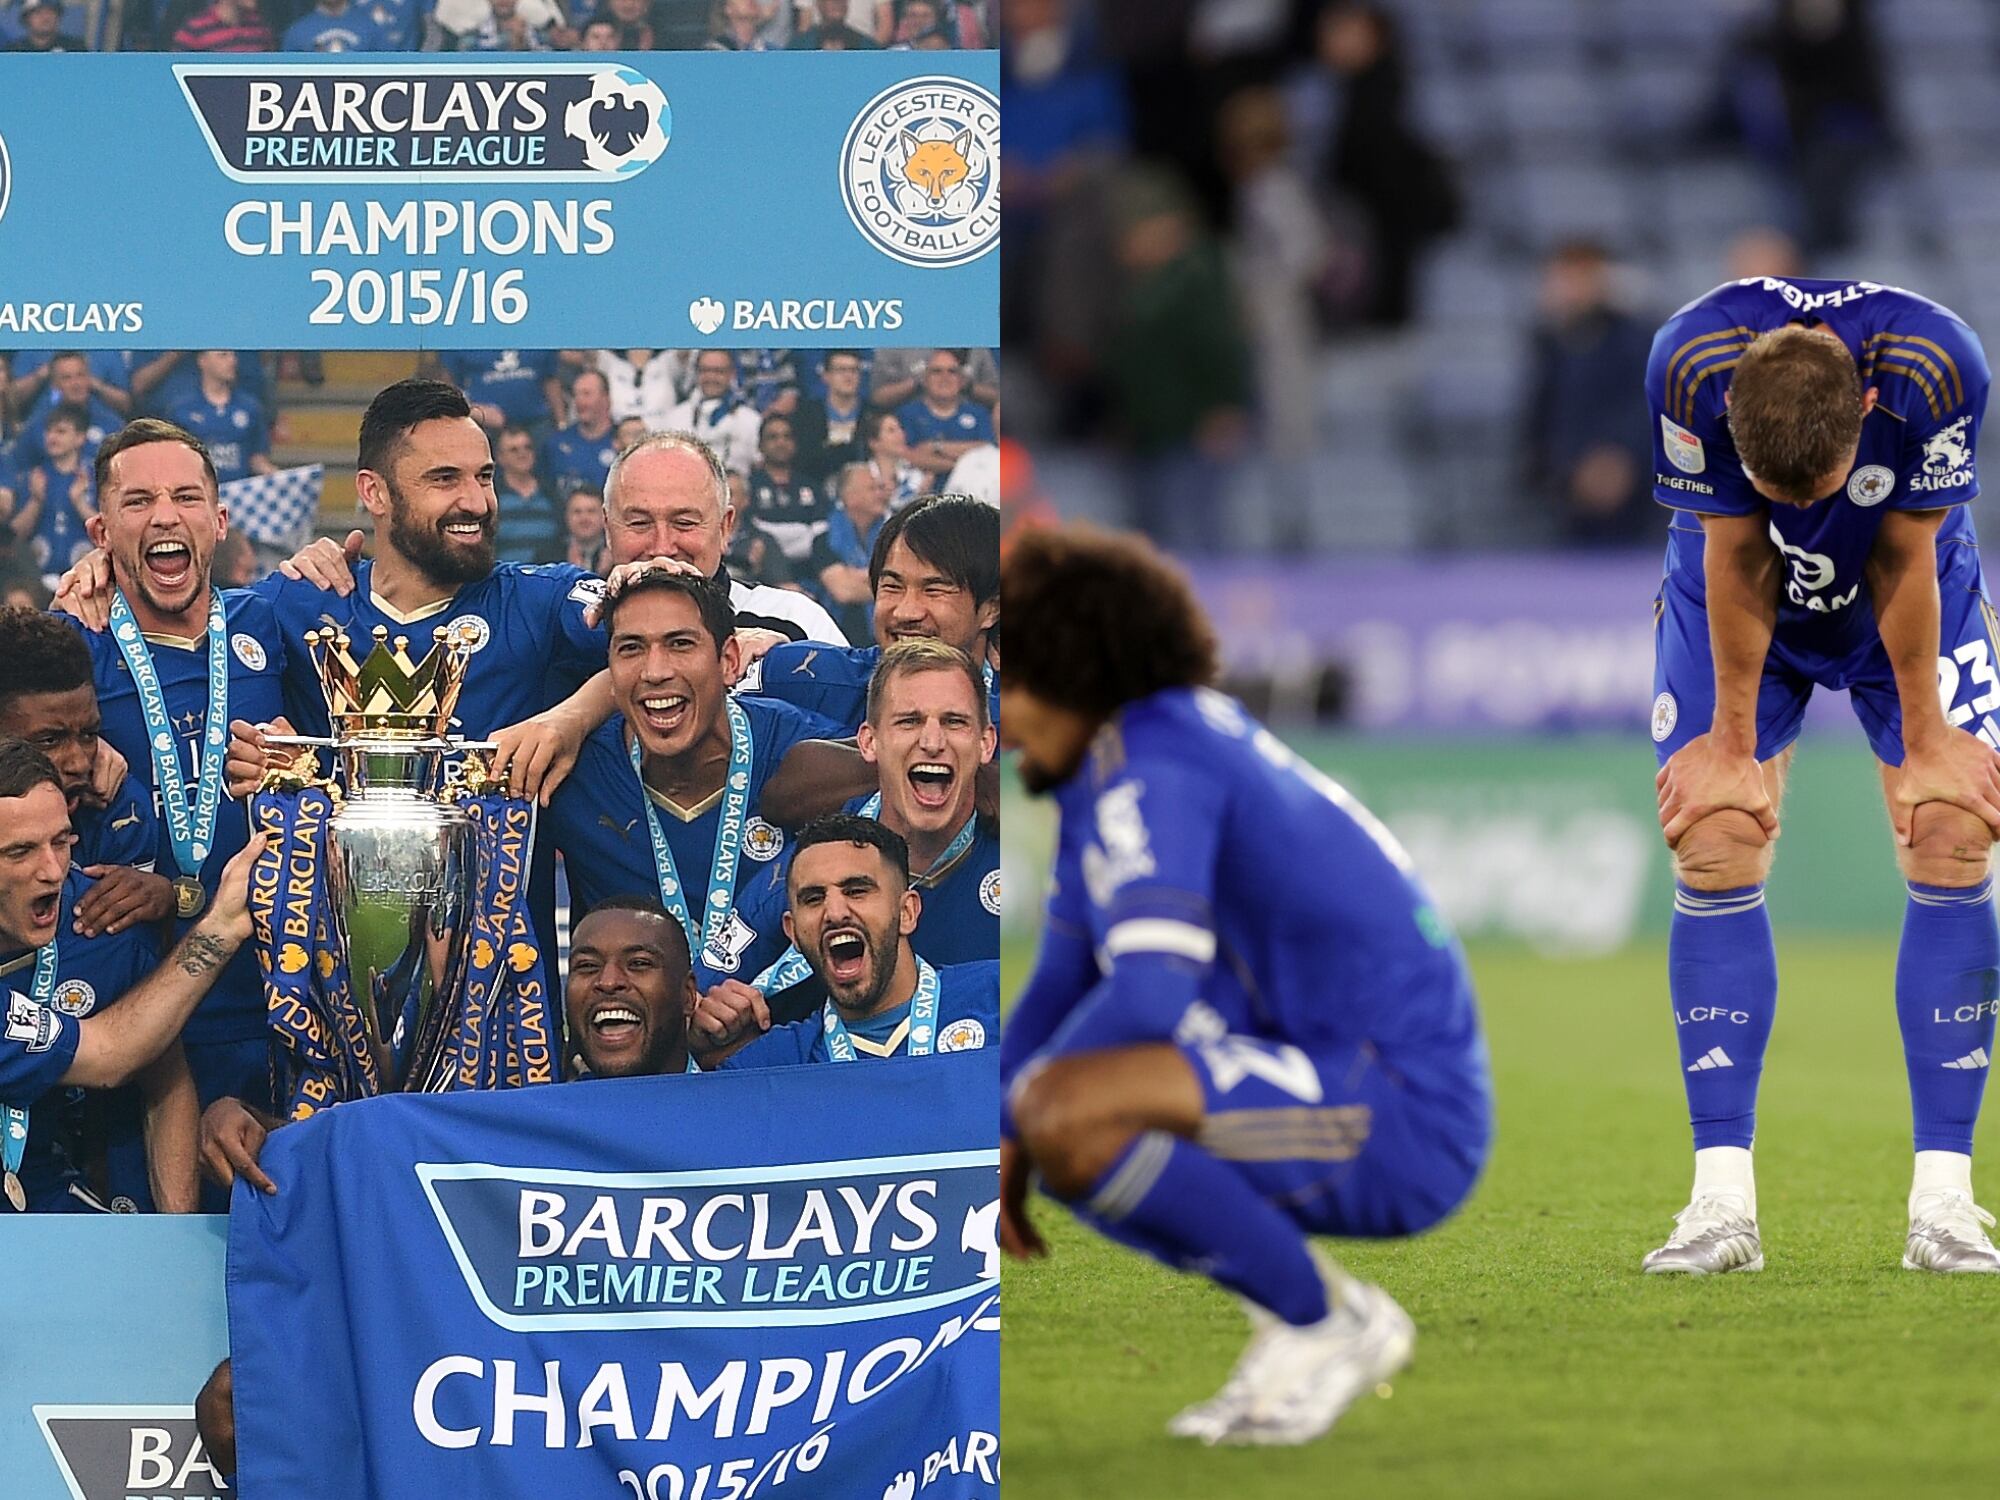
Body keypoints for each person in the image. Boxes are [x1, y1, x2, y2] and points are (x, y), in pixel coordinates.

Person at [999, 526, 1491, 1446]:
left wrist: (1024, 1112)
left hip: (1402, 1108)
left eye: (1006, 681)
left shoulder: (1156, 762)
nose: (994, 718)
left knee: (1064, 1113)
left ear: (1064, 671)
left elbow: (1150, 993)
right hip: (1329, 1069)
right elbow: (1061, 980)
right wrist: (1000, 1126)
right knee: (1052, 1115)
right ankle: (1302, 1323)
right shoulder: (1116, 766)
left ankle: (1325, 1325)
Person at [1644, 278, 2000, 1274]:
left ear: (1866, 411)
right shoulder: (1688, 363)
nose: (1801, 507)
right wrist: (1727, 743)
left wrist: (1928, 738)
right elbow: (1732, 546)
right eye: (1781, 490)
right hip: (1738, 582)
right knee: (1714, 836)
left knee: (1951, 828)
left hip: (1905, 577)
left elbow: (1904, 548)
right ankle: (1718, 1205)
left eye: (1819, 486)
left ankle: (1945, 1204)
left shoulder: (1936, 364)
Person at [54, 419, 290, 1201]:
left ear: (219, 521)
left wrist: (301, 770)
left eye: (186, 497)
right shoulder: (71, 649)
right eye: (137, 502)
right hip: (131, 1030)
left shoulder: (273, 623)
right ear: (101, 532)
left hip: (276, 1015)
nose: (164, 515)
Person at [539, 565, 865, 996]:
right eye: (632, 648)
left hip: (796, 1031)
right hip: (649, 1035)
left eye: (680, 644)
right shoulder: (573, 777)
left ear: (729, 661)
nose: (655, 671)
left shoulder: (801, 752)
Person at [0, 740, 262, 1215]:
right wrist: (221, 927)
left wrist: (176, 1233)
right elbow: (110, 1052)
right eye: (19, 852)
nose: (53, 871)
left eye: (61, 842)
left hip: (44, 1199)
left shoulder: (97, 920)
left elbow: (162, 1074)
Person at [714, 814, 999, 1068]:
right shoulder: (773, 1064)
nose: (835, 913)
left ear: (907, 912)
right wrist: (704, 1044)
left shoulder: (1001, 998)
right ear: (793, 932)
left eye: (856, 891)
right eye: (813, 899)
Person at [751, 493, 999, 735]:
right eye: (892, 586)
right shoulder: (803, 679)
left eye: (933, 590)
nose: (905, 612)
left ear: (992, 609)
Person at [0, 609, 169, 928]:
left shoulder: (120, 808)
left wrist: (165, 903)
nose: (79, 763)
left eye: (89, 735)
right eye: (49, 740)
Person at [599, 431, 848, 645]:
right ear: (608, 529)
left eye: (684, 523)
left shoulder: (796, 623)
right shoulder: (580, 627)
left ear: (725, 528)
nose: (662, 548)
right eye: (640, 524)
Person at [565, 896, 698, 1080]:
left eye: (639, 963)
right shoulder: (542, 1099)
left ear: (688, 995)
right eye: (587, 965)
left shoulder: (732, 1095)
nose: (608, 982)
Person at [166, 351, 275, 488]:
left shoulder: (250, 407)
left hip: (238, 494)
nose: (232, 361)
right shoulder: (181, 409)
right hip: (199, 493)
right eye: (223, 355)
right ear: (203, 361)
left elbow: (257, 458)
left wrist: (280, 478)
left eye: (233, 355)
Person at [809, 462, 888, 645]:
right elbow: (843, 591)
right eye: (872, 489)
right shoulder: (824, 539)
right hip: (838, 639)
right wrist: (890, 586)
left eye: (880, 488)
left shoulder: (892, 537)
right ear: (850, 498)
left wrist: (860, 577)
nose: (881, 494)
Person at [18, 406, 96, 587]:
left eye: (61, 432)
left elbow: (110, 532)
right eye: (49, 431)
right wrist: (36, 501)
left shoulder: (96, 477)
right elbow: (16, 535)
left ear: (80, 438)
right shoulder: (34, 477)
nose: (52, 437)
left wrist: (80, 503)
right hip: (37, 580)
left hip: (85, 579)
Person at [745, 411, 829, 573]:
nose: (781, 442)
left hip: (810, 571)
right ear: (760, 445)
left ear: (795, 443)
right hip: (764, 571)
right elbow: (751, 531)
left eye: (787, 437)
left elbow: (820, 534)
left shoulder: (811, 487)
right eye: (773, 437)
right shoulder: (749, 487)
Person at [895, 349, 996, 482]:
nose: (945, 377)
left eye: (952, 371)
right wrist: (961, 462)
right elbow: (909, 456)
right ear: (924, 379)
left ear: (962, 380)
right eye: (937, 371)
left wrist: (935, 447)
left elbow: (987, 451)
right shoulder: (907, 414)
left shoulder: (979, 413)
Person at [665, 351, 763, 479]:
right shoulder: (675, 418)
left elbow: (759, 465)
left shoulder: (751, 420)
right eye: (705, 371)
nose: (711, 377)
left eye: (718, 371)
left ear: (732, 374)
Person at [541, 367, 620, 501]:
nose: (579, 401)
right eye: (576, 395)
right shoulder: (556, 444)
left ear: (606, 399)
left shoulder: (621, 441)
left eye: (586, 394)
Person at [492, 422, 563, 565]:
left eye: (527, 447)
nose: (522, 454)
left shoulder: (551, 494)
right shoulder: (492, 496)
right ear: (500, 458)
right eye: (514, 450)